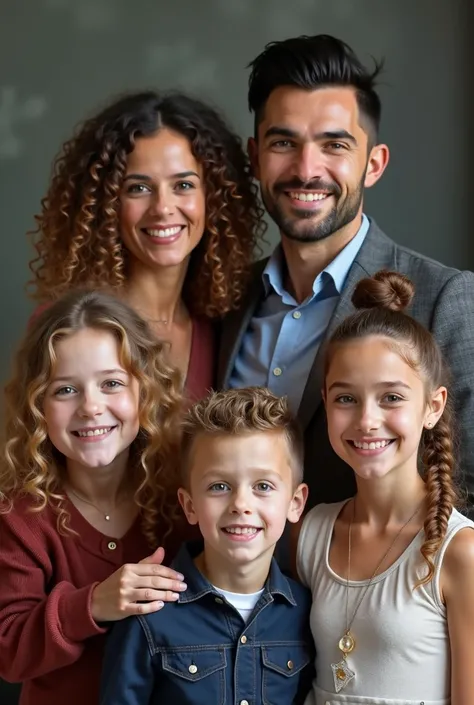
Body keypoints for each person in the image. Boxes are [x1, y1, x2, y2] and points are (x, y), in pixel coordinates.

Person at [218, 34, 474, 519]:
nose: (306, 169)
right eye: (283, 143)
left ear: (373, 164)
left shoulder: (445, 298)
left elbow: (471, 485)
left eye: (334, 144)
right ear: (255, 158)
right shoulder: (225, 300)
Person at [0, 291, 190, 705]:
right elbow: (8, 650)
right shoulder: (21, 516)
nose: (90, 407)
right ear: (37, 406)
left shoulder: (183, 502)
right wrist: (94, 603)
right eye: (65, 390)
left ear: (146, 391)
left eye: (112, 384)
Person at [297, 270, 474, 704]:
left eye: (391, 397)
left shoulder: (460, 552)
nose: (366, 420)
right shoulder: (310, 532)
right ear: (326, 401)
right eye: (346, 398)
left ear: (432, 407)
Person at [29, 90, 266, 400]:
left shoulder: (224, 329)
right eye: (138, 188)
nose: (162, 208)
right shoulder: (66, 329)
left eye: (183, 185)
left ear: (215, 198)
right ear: (105, 204)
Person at [100, 387, 315, 705]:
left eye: (263, 486)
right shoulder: (148, 613)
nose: (241, 504)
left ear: (295, 503)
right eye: (219, 486)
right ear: (189, 505)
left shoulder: (305, 612)